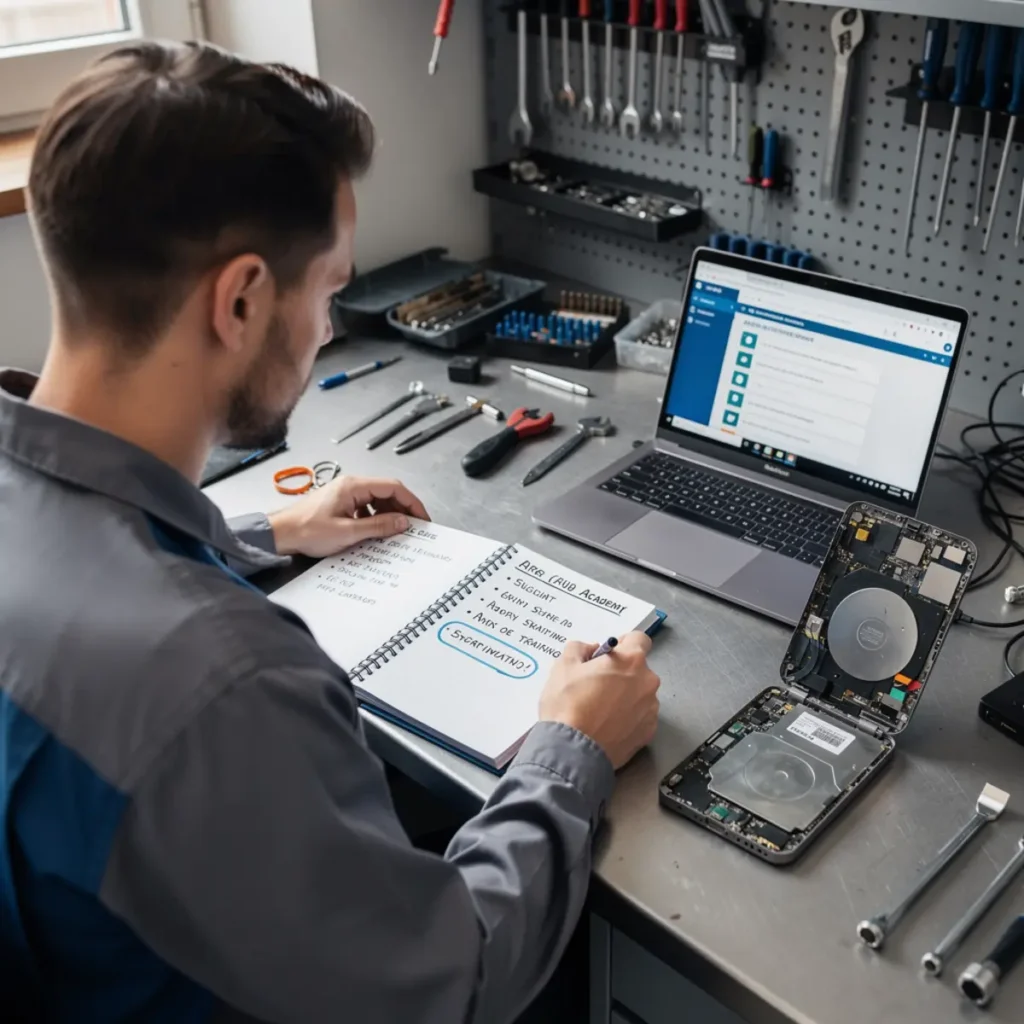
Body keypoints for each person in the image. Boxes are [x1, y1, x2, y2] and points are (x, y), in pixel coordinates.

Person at [0, 41, 661, 1023]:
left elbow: (86, 550)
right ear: (241, 300)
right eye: (330, 290)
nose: (327, 328)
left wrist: (264, 529)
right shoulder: (223, 689)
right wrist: (567, 747)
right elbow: (452, 980)